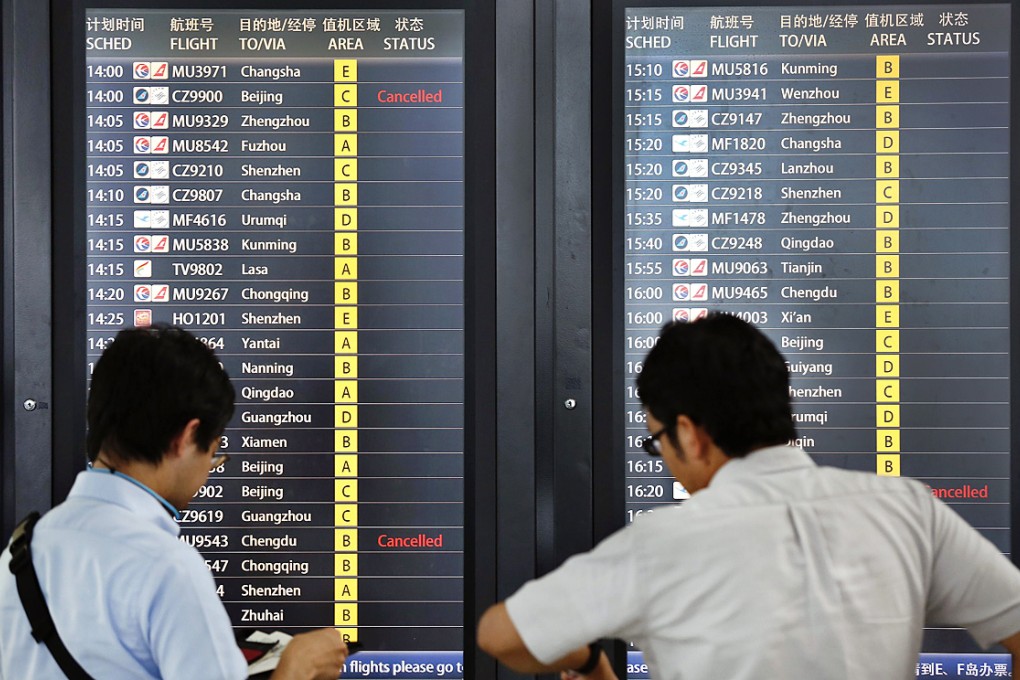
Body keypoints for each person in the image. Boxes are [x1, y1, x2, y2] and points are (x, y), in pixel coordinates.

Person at [478, 312, 1020, 679]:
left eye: (658, 440)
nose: (665, 455)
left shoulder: (662, 544)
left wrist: (594, 660)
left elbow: (499, 633)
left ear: (691, 434)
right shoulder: (908, 510)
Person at [0, 326, 348, 679]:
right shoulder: (167, 567)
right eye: (213, 453)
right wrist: (295, 669)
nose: (207, 473)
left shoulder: (20, 553)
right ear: (186, 437)